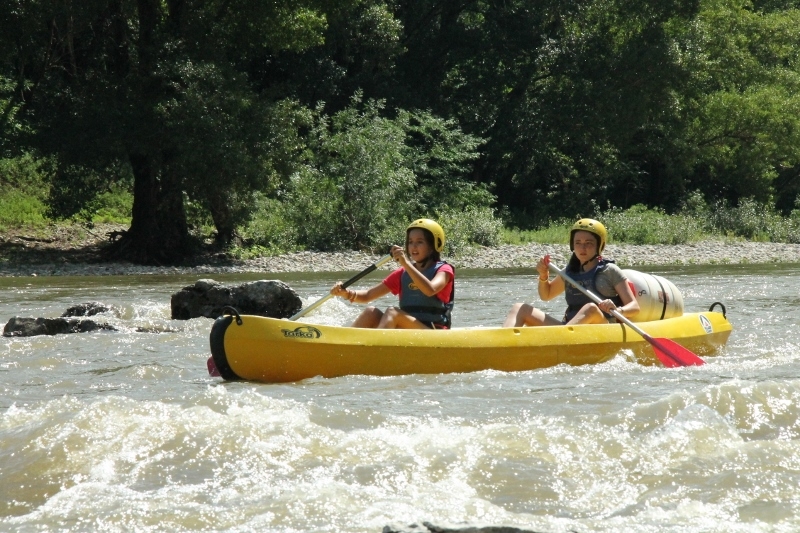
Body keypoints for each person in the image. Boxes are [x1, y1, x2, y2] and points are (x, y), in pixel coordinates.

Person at [503, 218, 639, 327]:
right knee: (520, 308)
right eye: (578, 243)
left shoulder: (609, 271)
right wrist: (543, 277)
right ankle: (504, 345)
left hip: (603, 328)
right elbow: (546, 295)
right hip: (568, 328)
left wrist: (617, 310)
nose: (582, 248)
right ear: (572, 245)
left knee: (590, 308)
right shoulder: (570, 272)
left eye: (589, 243)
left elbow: (635, 307)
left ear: (599, 246)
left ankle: (559, 342)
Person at [330, 218, 455, 329]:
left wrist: (405, 263)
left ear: (434, 245)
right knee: (370, 312)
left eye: (420, 242)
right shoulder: (402, 274)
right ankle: (348, 347)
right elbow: (368, 295)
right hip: (408, 331)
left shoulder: (444, 270)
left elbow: (430, 289)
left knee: (392, 312)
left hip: (433, 332)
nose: (413, 247)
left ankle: (375, 349)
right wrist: (346, 293)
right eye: (410, 242)